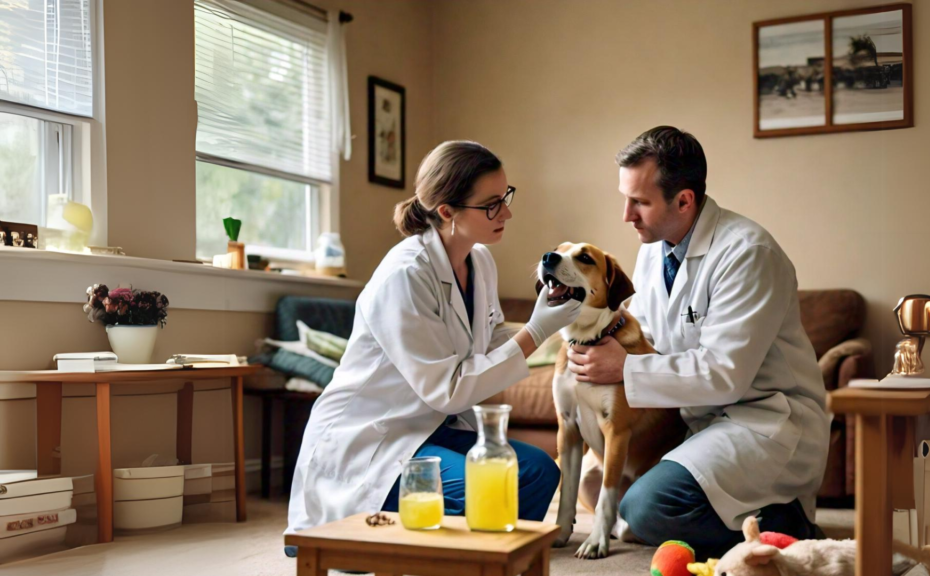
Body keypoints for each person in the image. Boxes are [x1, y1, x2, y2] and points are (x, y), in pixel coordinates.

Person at [284, 141, 582, 552]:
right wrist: (536, 331)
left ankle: (463, 550)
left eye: (506, 197)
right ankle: (355, 540)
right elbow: (447, 388)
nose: (507, 213)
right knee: (488, 492)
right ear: (447, 211)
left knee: (537, 472)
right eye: (492, 204)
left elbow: (490, 340)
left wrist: (543, 317)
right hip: (377, 439)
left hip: (432, 430)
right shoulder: (404, 275)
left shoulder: (480, 262)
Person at [567, 126, 830, 559]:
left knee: (646, 507)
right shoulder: (655, 246)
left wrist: (625, 368)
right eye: (625, 197)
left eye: (639, 202)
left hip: (762, 419)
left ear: (684, 200)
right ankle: (739, 516)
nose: (626, 215)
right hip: (694, 420)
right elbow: (648, 333)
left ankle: (788, 524)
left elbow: (725, 373)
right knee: (597, 490)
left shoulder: (748, 253)